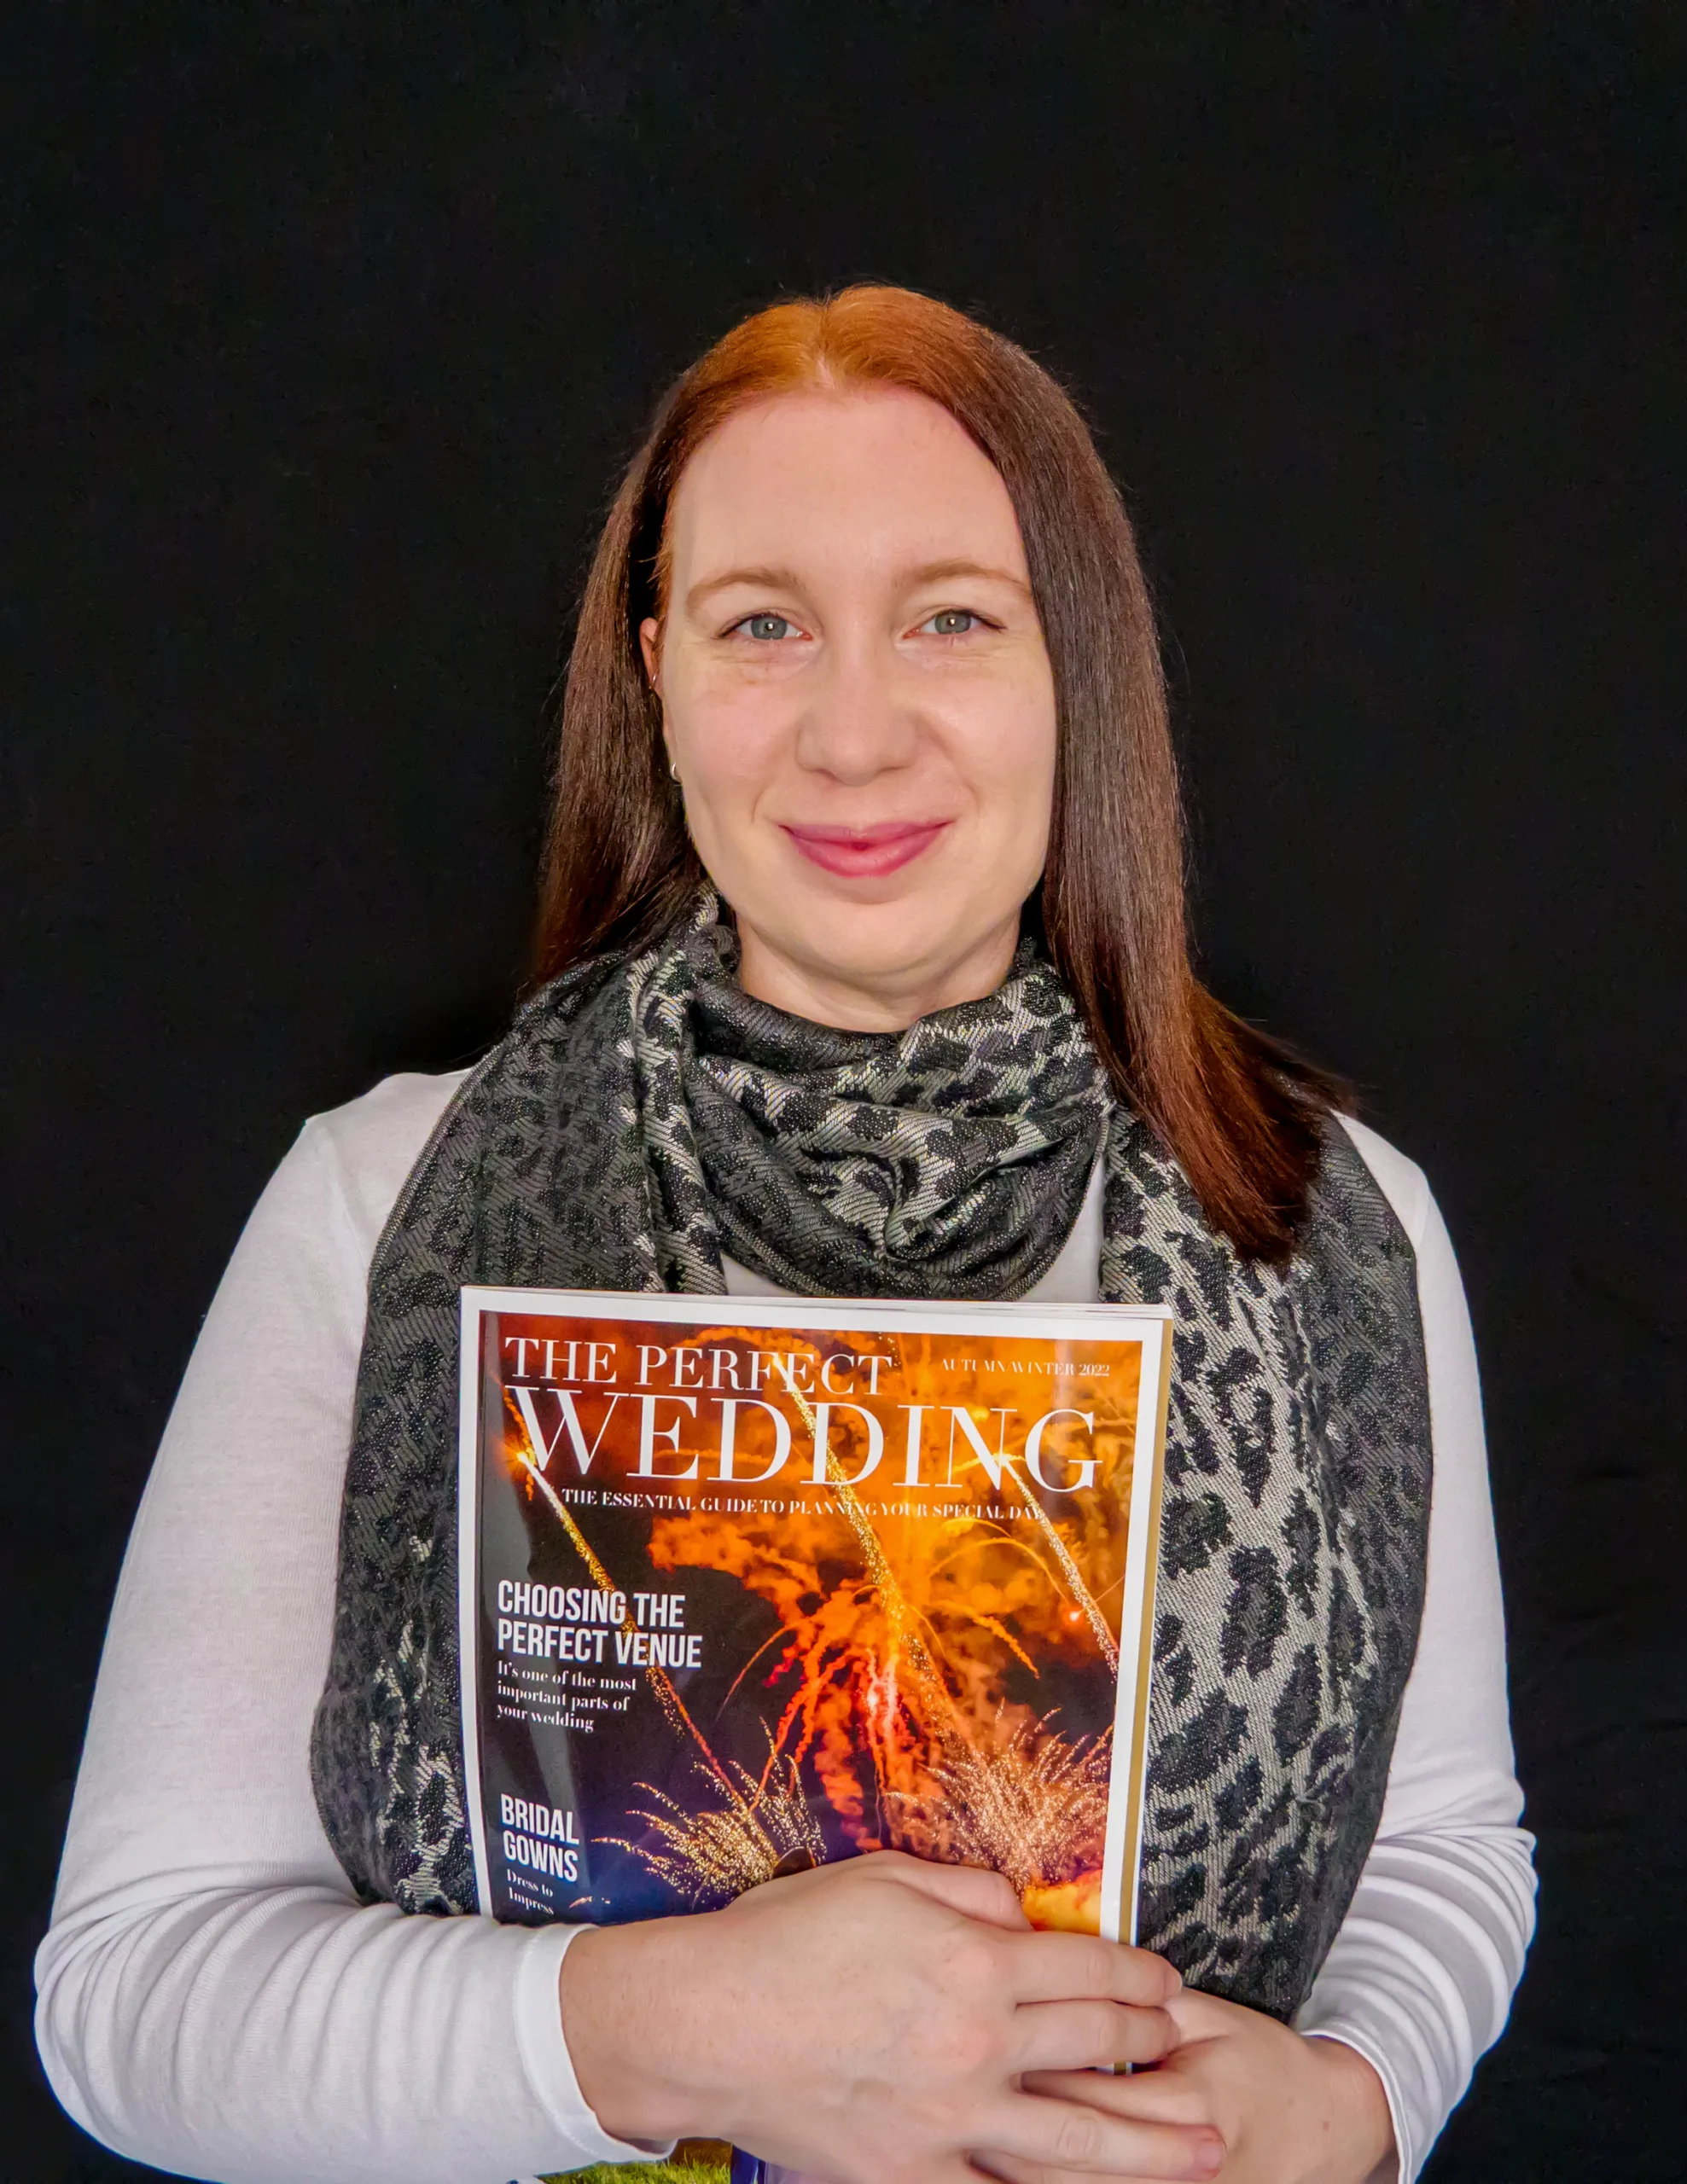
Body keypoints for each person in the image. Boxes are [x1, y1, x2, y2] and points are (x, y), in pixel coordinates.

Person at [37, 286, 1534, 2184]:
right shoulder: (379, 1201)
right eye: (763, 625)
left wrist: (1349, 2106)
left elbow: (1442, 1843)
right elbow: (136, 1994)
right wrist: (704, 2031)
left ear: (1073, 668)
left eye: (951, 619)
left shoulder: (1329, 1218)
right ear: (653, 671)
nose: (851, 731)